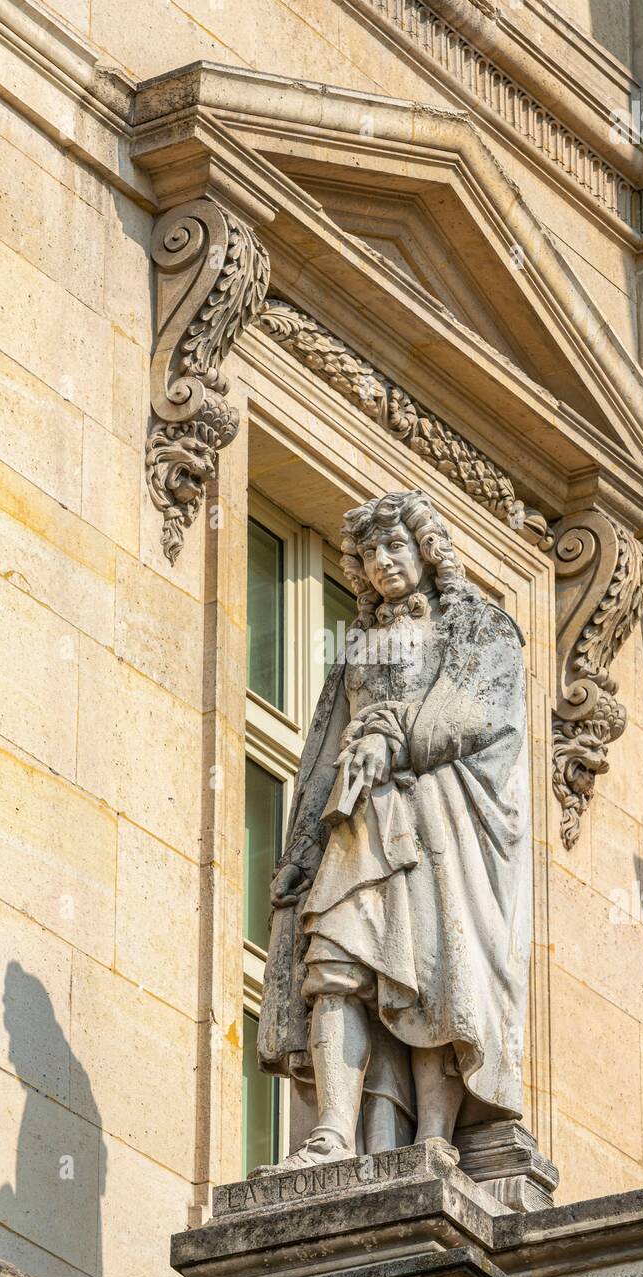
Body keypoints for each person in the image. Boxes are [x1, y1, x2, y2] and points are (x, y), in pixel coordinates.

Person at [258, 488, 531, 1169]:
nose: (382, 562)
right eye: (370, 552)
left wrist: (397, 734)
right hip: (356, 821)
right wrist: (301, 850)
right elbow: (324, 750)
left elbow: (478, 711)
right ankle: (332, 1132)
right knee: (334, 967)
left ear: (427, 551)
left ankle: (433, 1135)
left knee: (435, 970)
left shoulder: (475, 627)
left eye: (395, 546)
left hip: (436, 820)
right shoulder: (357, 648)